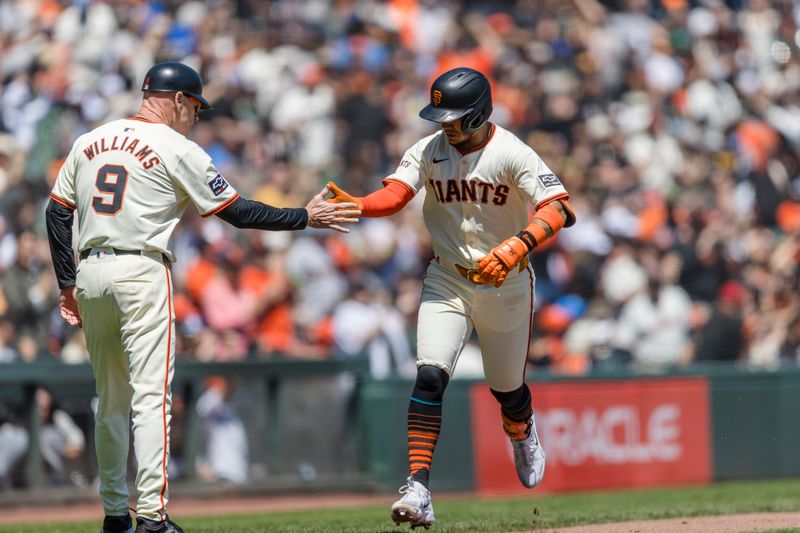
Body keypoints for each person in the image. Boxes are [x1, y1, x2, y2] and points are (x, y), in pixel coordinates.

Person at [45, 62, 360, 533]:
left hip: (91, 271)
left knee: (110, 400)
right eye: (194, 106)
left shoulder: (90, 140)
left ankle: (115, 515)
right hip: (140, 268)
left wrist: (67, 284)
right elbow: (236, 212)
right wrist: (303, 217)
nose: (196, 115)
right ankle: (151, 516)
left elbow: (56, 213)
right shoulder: (176, 146)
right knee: (151, 399)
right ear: (176, 100)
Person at [327, 67, 576, 528]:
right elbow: (396, 195)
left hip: (507, 281)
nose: (444, 124)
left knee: (507, 390)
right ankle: (419, 489)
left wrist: (518, 244)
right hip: (448, 279)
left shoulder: (511, 151)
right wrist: (359, 204)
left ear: (480, 114)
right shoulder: (427, 150)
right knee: (429, 377)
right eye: (440, 114)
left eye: (454, 116)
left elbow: (558, 207)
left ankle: (522, 431)